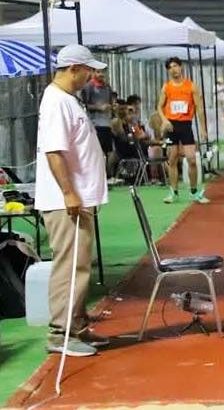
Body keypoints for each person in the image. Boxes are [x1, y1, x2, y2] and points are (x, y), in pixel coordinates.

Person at [35, 44, 110, 356]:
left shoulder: (67, 99)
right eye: (88, 69)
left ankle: (76, 327)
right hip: (66, 200)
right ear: (73, 69)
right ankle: (61, 334)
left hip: (78, 198)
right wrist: (68, 192)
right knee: (71, 267)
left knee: (80, 265)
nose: (91, 75)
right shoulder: (56, 101)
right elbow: (54, 152)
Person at [157, 57, 209, 204]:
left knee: (192, 160)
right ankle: (173, 192)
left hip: (186, 125)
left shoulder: (191, 86)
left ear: (181, 67)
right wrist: (165, 120)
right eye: (170, 67)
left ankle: (194, 192)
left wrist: (203, 129)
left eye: (176, 66)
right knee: (172, 159)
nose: (174, 69)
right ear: (168, 71)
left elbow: (199, 109)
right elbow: (159, 107)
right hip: (171, 126)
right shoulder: (166, 87)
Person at [80, 68, 115, 181]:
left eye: (103, 72)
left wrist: (112, 107)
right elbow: (83, 105)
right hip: (95, 124)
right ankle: (93, 177)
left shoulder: (107, 87)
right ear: (93, 72)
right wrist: (99, 108)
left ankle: (105, 176)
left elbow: (110, 102)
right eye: (98, 72)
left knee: (106, 152)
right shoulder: (88, 87)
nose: (101, 74)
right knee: (95, 152)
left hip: (106, 124)